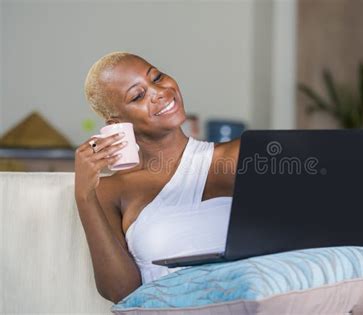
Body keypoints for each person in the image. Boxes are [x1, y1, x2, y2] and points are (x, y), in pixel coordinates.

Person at [75, 52, 240, 304]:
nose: (160, 91)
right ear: (117, 123)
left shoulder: (236, 156)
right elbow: (121, 291)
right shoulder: (110, 191)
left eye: (157, 77)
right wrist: (84, 195)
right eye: (138, 95)